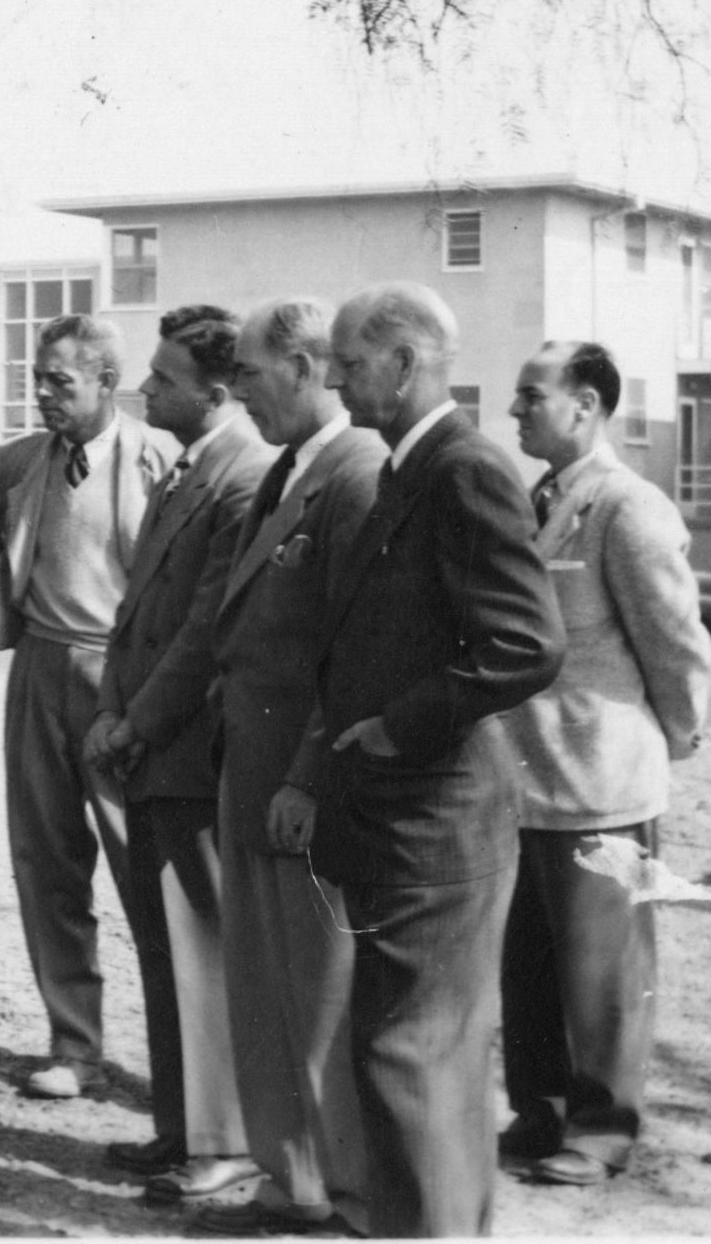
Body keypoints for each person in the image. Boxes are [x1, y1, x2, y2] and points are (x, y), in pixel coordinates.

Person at [277, 281, 564, 1237]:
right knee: (416, 1059)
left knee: (411, 1056)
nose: (338, 379)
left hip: (436, 813)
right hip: (404, 811)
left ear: (403, 367)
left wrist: (402, 724)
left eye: (351, 364)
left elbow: (526, 644)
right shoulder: (413, 466)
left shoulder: (462, 469)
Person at [120, 298, 385, 1238]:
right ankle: (287, 1180)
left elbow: (351, 657)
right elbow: (221, 630)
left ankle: (339, 1192)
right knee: (264, 988)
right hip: (248, 768)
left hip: (296, 786)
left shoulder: (355, 475)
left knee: (317, 993)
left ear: (309, 369)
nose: (242, 395)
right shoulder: (283, 473)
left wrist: (309, 775)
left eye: (257, 378)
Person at [493, 341, 711, 1186]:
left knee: (604, 971)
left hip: (601, 779)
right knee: (534, 964)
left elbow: (676, 642)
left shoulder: (629, 507)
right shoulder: (534, 500)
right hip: (528, 778)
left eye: (530, 395)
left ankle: (603, 1127)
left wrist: (676, 735)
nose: (515, 412)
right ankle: (540, 1110)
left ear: (585, 405)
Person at [75, 305, 276, 1206]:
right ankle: (180, 1123)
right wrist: (116, 710)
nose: (144, 388)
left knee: (201, 944)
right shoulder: (191, 466)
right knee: (163, 944)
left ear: (218, 392)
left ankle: (224, 1139)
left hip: (190, 756)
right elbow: (139, 615)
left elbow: (203, 634)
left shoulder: (243, 476)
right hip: (153, 747)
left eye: (163, 379)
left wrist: (135, 722)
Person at [0, 315, 178, 1103]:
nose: (43, 393)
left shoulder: (158, 459)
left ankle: (182, 1061)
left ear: (106, 381)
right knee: (46, 864)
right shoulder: (17, 462)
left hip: (122, 678)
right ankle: (75, 1045)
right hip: (38, 669)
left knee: (145, 870)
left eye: (61, 380)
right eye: (38, 377)